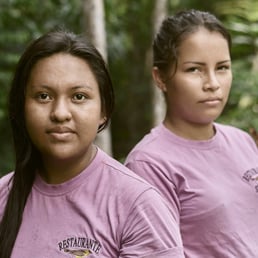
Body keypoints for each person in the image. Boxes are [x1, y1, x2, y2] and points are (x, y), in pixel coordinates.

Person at [0, 29, 184, 257]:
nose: (60, 113)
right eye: (43, 96)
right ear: (21, 107)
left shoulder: (138, 206)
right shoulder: (3, 197)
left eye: (78, 97)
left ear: (103, 110)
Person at [125, 9, 258, 257]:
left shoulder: (242, 141)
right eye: (195, 69)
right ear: (161, 78)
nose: (212, 83)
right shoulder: (149, 164)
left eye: (222, 67)